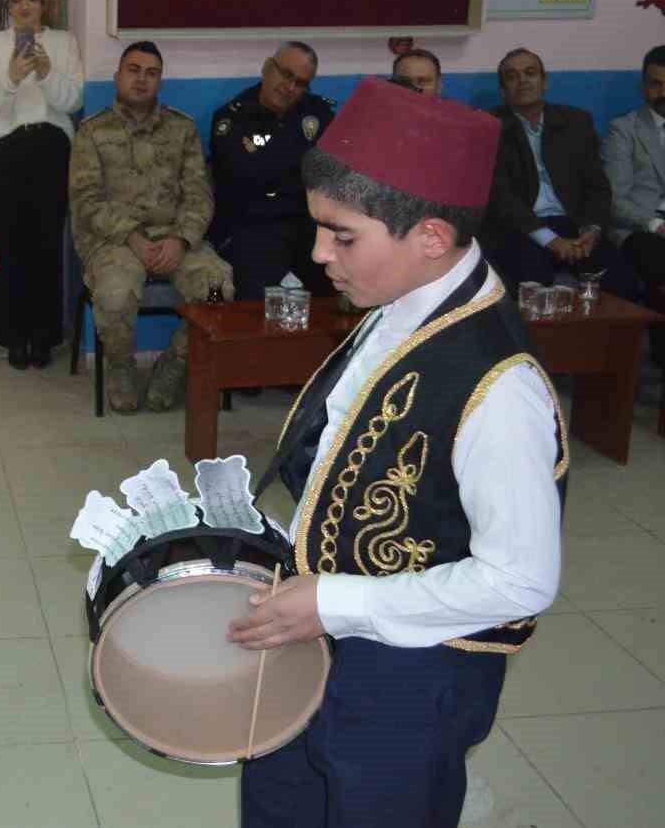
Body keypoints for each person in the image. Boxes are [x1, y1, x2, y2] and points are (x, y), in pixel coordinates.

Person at [233, 77, 564, 828]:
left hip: (412, 682)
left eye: (342, 235)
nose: (318, 252)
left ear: (433, 237)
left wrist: (334, 602)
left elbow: (521, 579)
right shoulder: (400, 300)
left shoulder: (500, 388)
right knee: (283, 799)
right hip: (324, 640)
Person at [70, 42, 234, 413]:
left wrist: (181, 239)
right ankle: (121, 367)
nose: (141, 79)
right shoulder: (92, 132)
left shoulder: (182, 129)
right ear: (117, 77)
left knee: (218, 290)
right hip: (114, 240)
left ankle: (175, 364)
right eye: (133, 70)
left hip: (175, 238)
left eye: (151, 73)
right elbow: (85, 200)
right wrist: (132, 237)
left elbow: (199, 195)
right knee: (114, 295)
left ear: (160, 81)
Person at [0, 0, 84, 369]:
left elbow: (72, 101)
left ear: (45, 2)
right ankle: (13, 335)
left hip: (51, 149)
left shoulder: (64, 42)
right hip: (5, 152)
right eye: (16, 0)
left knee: (46, 245)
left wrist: (47, 72)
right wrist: (12, 77)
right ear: (7, 4)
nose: (24, 7)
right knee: (10, 243)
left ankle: (44, 336)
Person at [482, 48, 640, 298]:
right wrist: (551, 241)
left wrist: (591, 231)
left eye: (530, 73)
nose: (522, 80)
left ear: (544, 82)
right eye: (512, 76)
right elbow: (500, 197)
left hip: (575, 225)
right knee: (532, 289)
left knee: (626, 285)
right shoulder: (489, 126)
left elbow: (598, 186)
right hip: (521, 230)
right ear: (503, 90)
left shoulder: (576, 122)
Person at [207, 41, 336, 300]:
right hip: (252, 227)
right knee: (264, 298)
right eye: (286, 74)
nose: (290, 87)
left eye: (300, 83)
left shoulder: (318, 114)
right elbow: (244, 176)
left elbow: (331, 175)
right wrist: (295, 164)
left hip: (304, 225)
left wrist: (275, 161)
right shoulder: (233, 118)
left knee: (337, 282)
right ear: (267, 68)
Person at [602, 44, 665, 363]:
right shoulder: (624, 130)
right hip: (640, 227)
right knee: (658, 261)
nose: (663, 92)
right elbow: (614, 199)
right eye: (656, 84)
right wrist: (656, 225)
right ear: (643, 87)